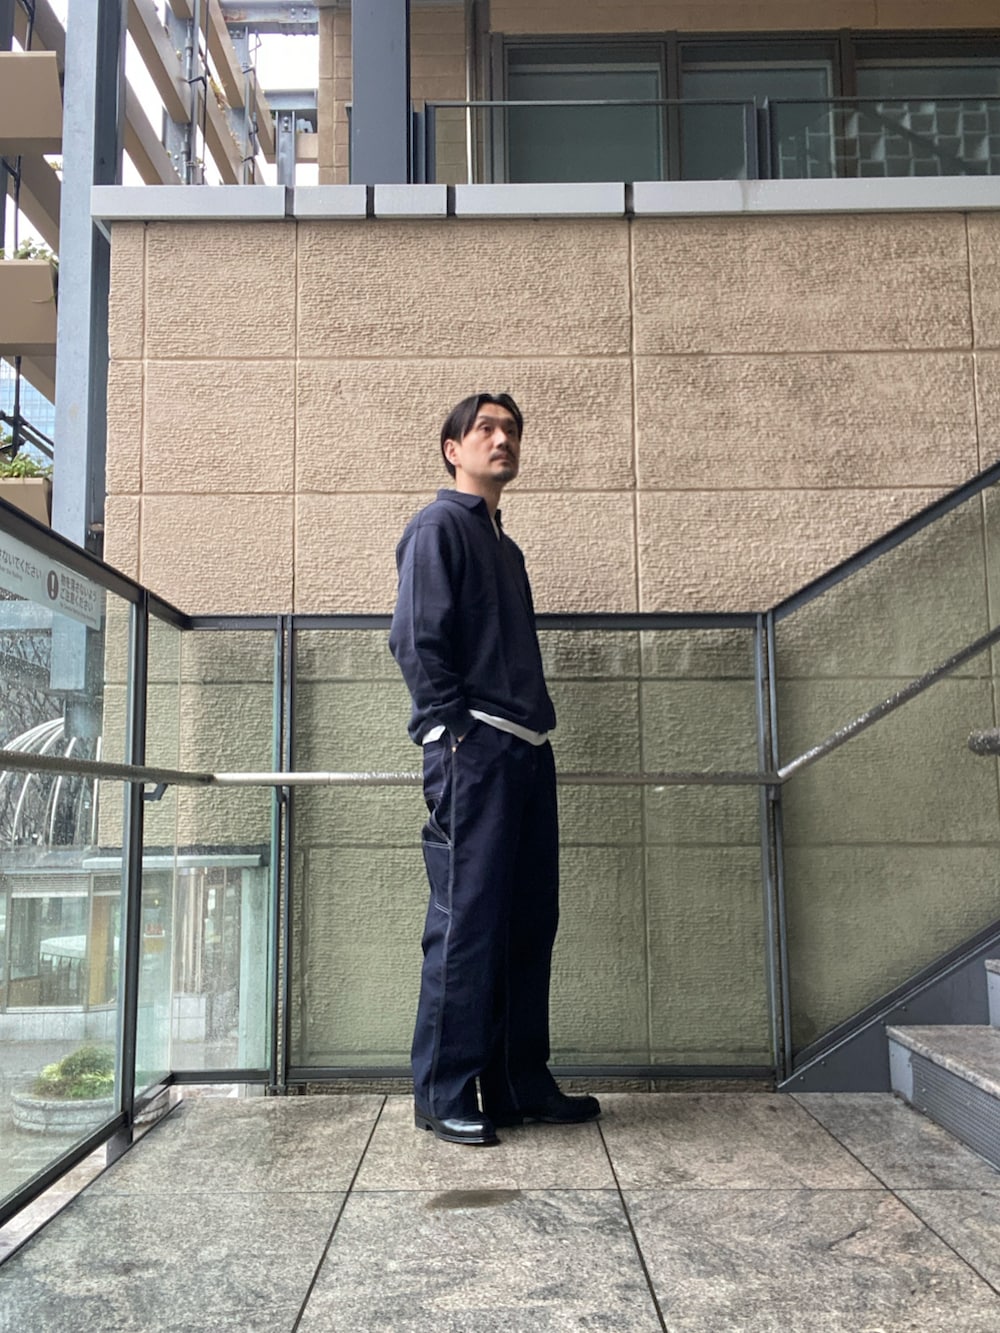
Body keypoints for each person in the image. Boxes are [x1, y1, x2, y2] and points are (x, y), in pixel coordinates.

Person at [389, 392, 601, 1146]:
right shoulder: (437, 526)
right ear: (453, 448)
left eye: (510, 429)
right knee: (467, 921)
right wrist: (453, 730)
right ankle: (443, 1090)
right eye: (485, 428)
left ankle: (517, 1084)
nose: (500, 438)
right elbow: (415, 639)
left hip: (527, 749)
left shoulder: (506, 549)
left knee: (528, 922)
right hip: (474, 751)